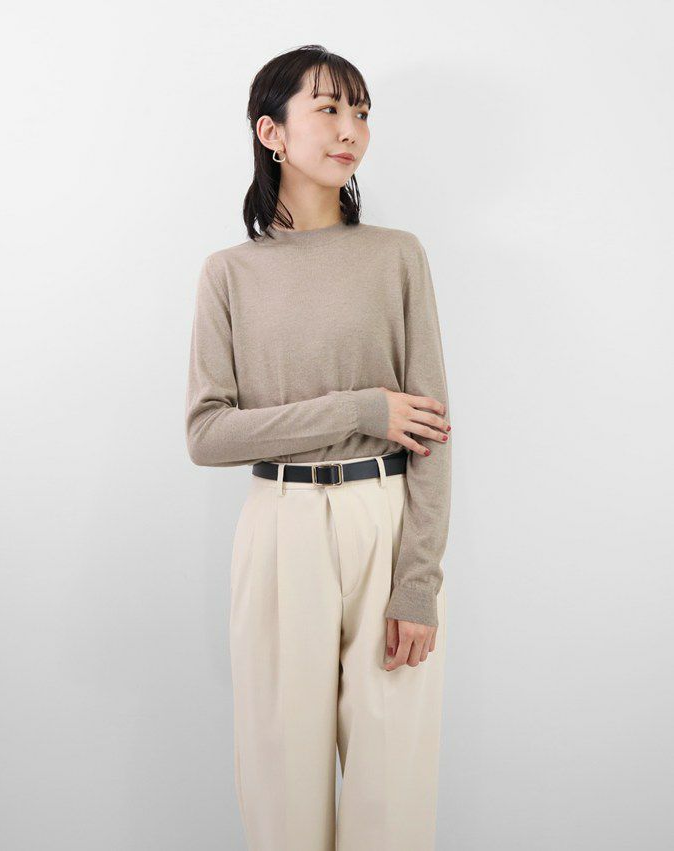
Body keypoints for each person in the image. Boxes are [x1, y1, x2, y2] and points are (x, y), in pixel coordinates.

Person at [185, 44, 452, 851]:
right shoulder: (229, 274)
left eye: (360, 112)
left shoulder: (396, 256)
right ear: (270, 132)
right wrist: (359, 407)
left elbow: (432, 431)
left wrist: (418, 582)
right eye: (328, 109)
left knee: (392, 785)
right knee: (282, 779)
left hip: (383, 518)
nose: (350, 130)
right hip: (280, 524)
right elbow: (207, 433)